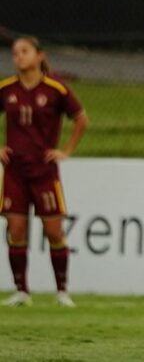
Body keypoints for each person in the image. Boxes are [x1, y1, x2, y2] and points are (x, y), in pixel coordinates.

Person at [0, 36, 88, 307]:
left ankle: (62, 291)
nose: (19, 57)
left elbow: (81, 119)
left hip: (44, 172)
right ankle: (22, 291)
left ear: (40, 56)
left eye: (24, 51)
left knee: (54, 231)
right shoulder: (6, 88)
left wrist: (66, 151)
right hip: (15, 171)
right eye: (15, 53)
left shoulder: (55, 89)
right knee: (16, 230)